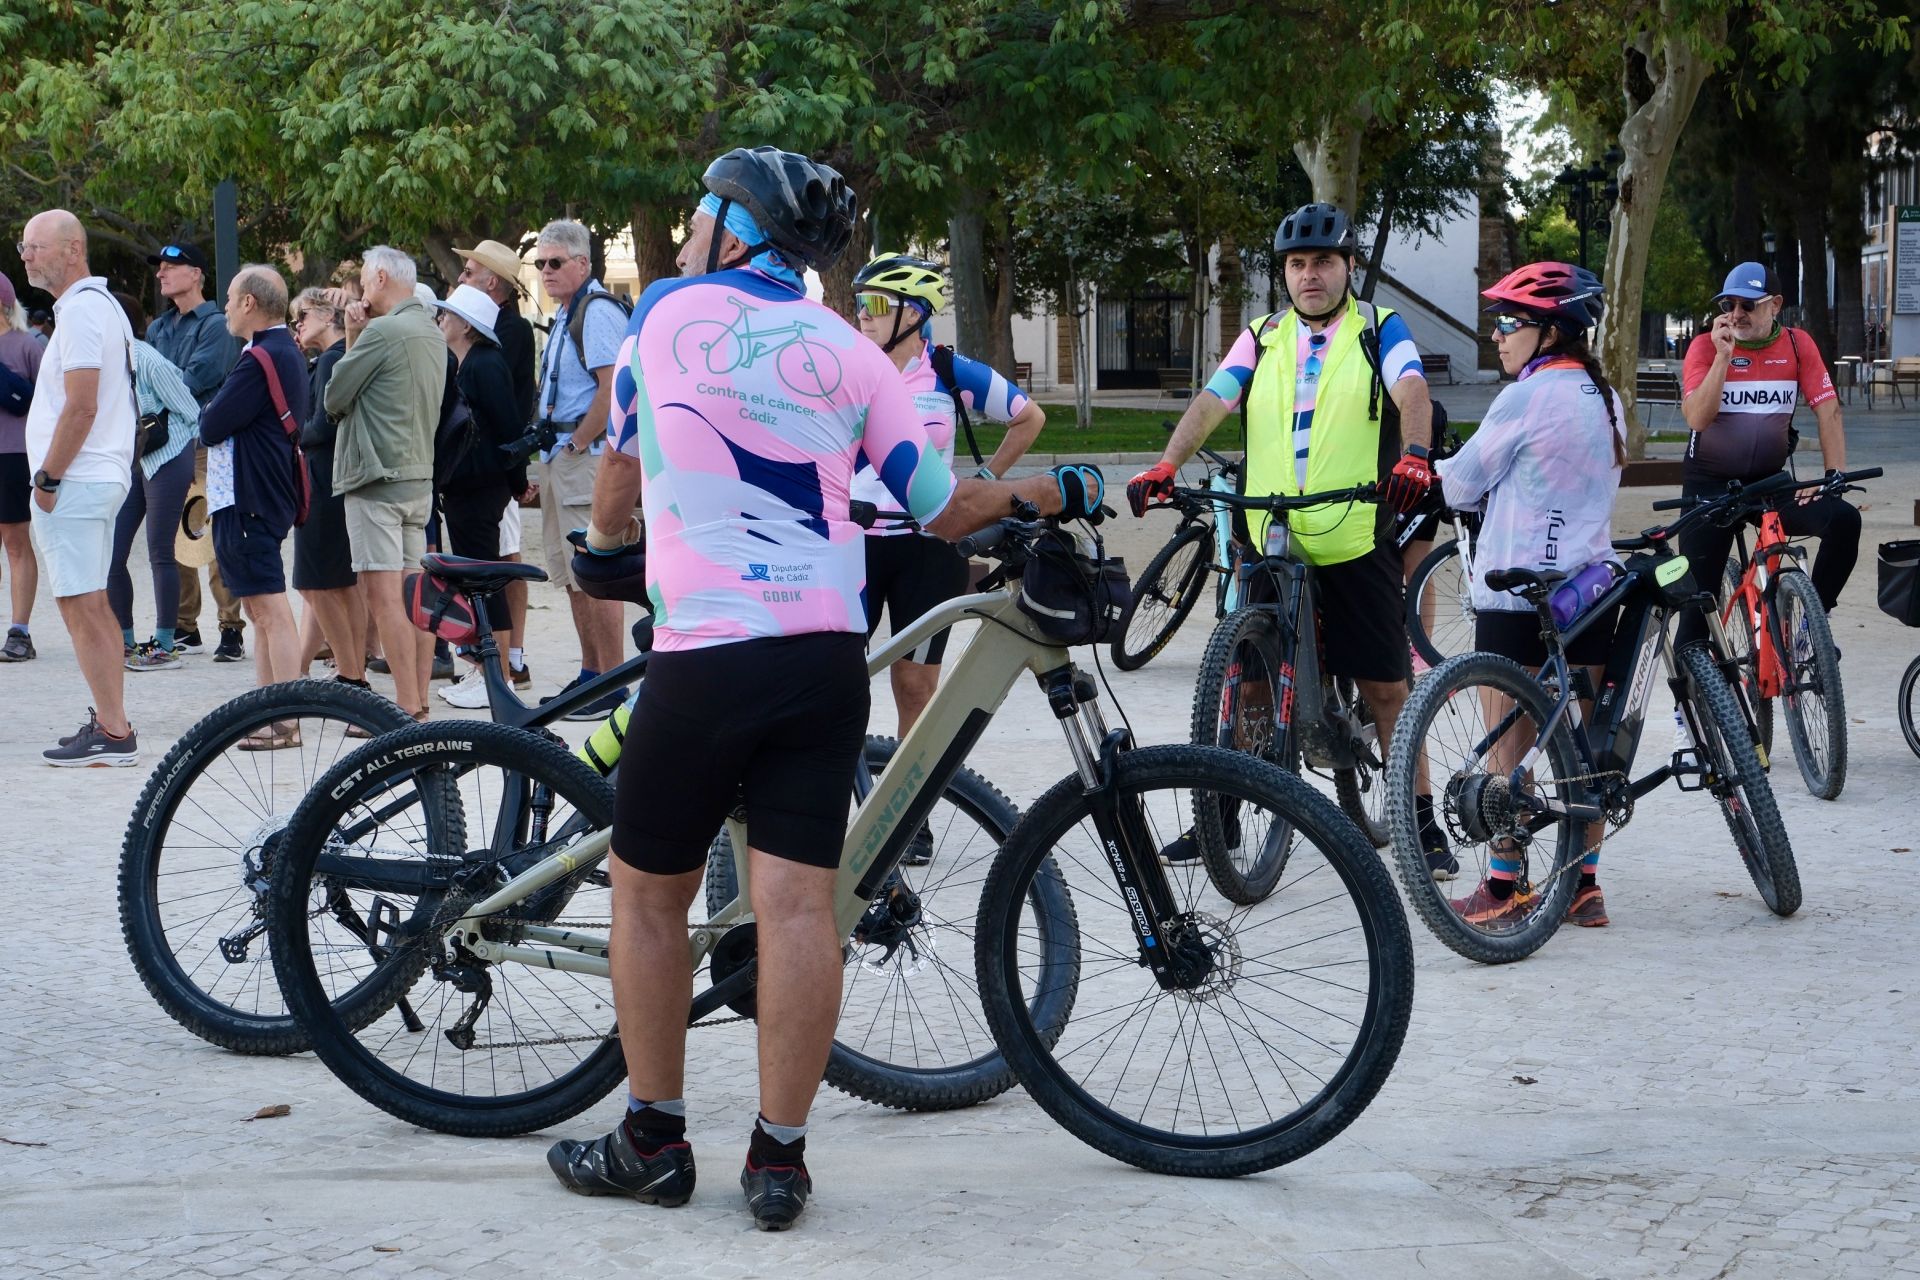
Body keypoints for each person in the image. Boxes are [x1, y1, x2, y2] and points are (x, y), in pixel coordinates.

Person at [544, 146, 1104, 1230]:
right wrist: (1048, 482)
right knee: (802, 905)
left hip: (705, 652)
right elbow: (942, 508)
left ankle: (653, 1139)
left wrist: (607, 547)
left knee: (647, 891)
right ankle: (781, 1159)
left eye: (705, 209)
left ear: (735, 230)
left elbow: (621, 464)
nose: (692, 223)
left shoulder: (663, 314)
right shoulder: (856, 353)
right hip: (821, 656)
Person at [1126, 202, 1446, 872]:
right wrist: (1167, 464)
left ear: (1349, 267)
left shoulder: (1379, 329)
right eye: (1298, 264)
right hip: (1268, 531)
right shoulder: (1263, 335)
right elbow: (1213, 401)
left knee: (1385, 686)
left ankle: (1420, 823)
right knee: (1246, 685)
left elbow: (1412, 389)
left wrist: (1415, 452)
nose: (1310, 275)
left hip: (1353, 530)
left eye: (1323, 262)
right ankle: (1225, 822)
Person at [1433, 262, 1625, 928]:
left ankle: (1507, 882)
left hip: (1515, 594)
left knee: (1507, 747)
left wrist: (1425, 470)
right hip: (1590, 590)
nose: (1497, 335)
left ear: (1550, 331)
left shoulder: (1523, 397)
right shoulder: (1606, 397)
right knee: (1582, 741)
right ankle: (1584, 886)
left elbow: (1460, 485)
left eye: (1509, 323)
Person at [849, 251, 1044, 863]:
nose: (863, 316)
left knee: (915, 686)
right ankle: (838, 805)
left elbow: (1027, 417)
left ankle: (909, 816)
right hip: (851, 544)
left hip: (929, 547)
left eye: (875, 305)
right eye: (859, 305)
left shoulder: (946, 370)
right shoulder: (848, 367)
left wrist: (982, 480)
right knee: (834, 684)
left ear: (913, 313)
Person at [1676, 261, 1858, 651]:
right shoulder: (1704, 348)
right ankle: (1686, 705)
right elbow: (1697, 417)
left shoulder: (1797, 344)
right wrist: (1723, 358)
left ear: (1775, 305)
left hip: (1769, 484)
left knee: (1844, 521)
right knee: (1697, 607)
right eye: (1729, 304)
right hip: (1709, 487)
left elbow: (1829, 410)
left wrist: (1833, 478)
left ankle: (1813, 627)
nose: (1736, 314)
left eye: (1748, 305)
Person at [19, 209, 141, 764]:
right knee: (89, 601)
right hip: (90, 476)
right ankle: (113, 725)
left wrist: (48, 478)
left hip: (77, 478)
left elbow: (82, 404)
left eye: (35, 246)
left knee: (80, 604)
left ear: (72, 250)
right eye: (24, 247)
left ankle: (114, 732)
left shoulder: (86, 312)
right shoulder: (93, 308)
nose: (26, 255)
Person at [322, 246, 444, 720]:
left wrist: (353, 333)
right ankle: (421, 703)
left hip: (376, 479)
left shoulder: (384, 331)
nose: (363, 288)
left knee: (384, 597)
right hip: (417, 477)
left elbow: (334, 397)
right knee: (416, 597)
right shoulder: (430, 331)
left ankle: (404, 707)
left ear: (380, 276)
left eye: (366, 278)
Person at [198, 266, 309, 715]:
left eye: (229, 297)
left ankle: (287, 718)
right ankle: (269, 715)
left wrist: (211, 409)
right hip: (262, 495)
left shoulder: (262, 357)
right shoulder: (282, 351)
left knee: (269, 611)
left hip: (250, 498)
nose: (224, 305)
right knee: (259, 614)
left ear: (249, 303)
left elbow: (211, 424)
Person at [531, 219, 629, 720]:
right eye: (540, 263)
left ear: (583, 264)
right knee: (573, 576)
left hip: (582, 460)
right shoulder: (570, 313)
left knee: (596, 575)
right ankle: (592, 675)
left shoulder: (595, 311)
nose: (545, 271)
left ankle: (611, 683)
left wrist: (575, 443)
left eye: (555, 262)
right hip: (563, 459)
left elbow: (610, 389)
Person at [147, 241, 246, 662]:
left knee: (214, 535)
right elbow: (148, 383)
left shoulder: (218, 323)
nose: (161, 273)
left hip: (208, 444)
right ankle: (185, 626)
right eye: (161, 267)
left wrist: (162, 383)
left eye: (172, 266)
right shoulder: (158, 327)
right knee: (175, 536)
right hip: (167, 446)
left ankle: (231, 628)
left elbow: (194, 380)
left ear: (196, 274)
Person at [430, 284, 522, 708]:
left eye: (447, 315)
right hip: (465, 487)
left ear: (467, 325)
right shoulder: (464, 362)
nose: (441, 320)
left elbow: (509, 431)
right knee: (474, 578)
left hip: (482, 487)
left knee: (484, 580)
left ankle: (497, 674)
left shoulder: (485, 364)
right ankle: (485, 668)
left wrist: (515, 483)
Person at [455, 238, 537, 688]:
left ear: (491, 282)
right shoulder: (485, 343)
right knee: (483, 566)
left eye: (468, 273)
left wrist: (517, 476)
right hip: (483, 470)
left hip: (492, 471)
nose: (460, 279)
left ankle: (502, 667)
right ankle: (491, 665)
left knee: (495, 565)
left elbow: (504, 415)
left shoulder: (505, 335)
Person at [106, 290, 200, 671]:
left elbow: (191, 410)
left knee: (160, 550)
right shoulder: (107, 360)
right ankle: (124, 640)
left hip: (169, 452)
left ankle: (165, 643)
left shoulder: (147, 359)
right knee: (112, 553)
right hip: (136, 458)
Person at [289, 288, 368, 686]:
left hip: (324, 481)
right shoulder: (334, 358)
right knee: (339, 584)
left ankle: (351, 674)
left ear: (326, 314)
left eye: (301, 315)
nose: (297, 325)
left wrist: (286, 436)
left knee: (317, 585)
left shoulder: (333, 360)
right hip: (335, 480)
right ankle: (352, 672)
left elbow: (324, 425)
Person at [0, 272, 43, 661]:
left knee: (15, 543)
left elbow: (46, 402)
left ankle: (20, 631)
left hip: (13, 455)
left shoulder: (26, 346)